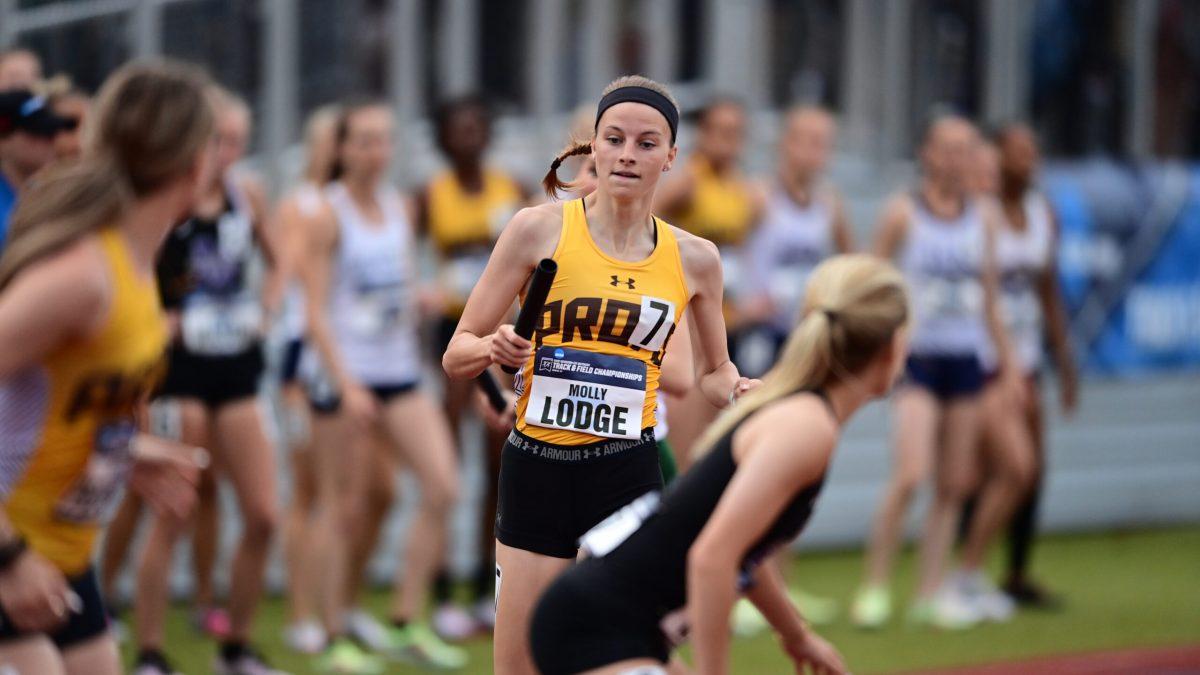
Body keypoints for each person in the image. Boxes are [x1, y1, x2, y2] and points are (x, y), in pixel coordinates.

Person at [443, 74, 758, 675]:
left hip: (625, 473)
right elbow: (455, 353)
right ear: (594, 147)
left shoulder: (695, 258)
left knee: (630, 652)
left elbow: (712, 375)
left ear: (671, 157)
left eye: (646, 144)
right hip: (538, 468)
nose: (627, 156)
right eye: (614, 140)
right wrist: (494, 347)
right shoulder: (538, 229)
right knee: (518, 666)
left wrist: (745, 390)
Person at [530, 254, 908, 675]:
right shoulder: (806, 428)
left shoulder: (803, 418)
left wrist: (795, 635)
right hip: (593, 628)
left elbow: (745, 549)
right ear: (891, 346)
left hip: (623, 626)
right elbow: (712, 558)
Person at [0, 59, 213, 675]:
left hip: (62, 556)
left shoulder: (138, 263)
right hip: (14, 552)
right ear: (193, 162)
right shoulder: (83, 275)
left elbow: (64, 395)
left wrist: (128, 453)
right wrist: (8, 560)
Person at [300, 101, 466, 673]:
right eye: (364, 139)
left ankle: (405, 618)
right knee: (342, 506)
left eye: (384, 139)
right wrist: (345, 384)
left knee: (443, 486)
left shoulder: (401, 207)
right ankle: (330, 635)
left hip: (399, 371)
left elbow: (404, 278)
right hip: (346, 376)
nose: (376, 150)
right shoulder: (327, 213)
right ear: (342, 148)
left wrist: (421, 298)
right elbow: (315, 311)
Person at [132, 89, 286, 675]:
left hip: (235, 359)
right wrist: (158, 317)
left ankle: (236, 648)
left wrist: (267, 308)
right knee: (176, 507)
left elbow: (282, 259)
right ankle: (149, 652)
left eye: (238, 142)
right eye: (217, 140)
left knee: (264, 513)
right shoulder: (164, 197)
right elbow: (130, 267)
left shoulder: (246, 195)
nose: (227, 154)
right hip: (179, 368)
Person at [851, 115, 1018, 630]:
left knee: (953, 483)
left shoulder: (984, 216)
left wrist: (1007, 363)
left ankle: (929, 590)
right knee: (911, 474)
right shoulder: (904, 213)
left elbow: (989, 295)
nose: (956, 158)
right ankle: (874, 587)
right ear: (927, 154)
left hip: (965, 358)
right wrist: (876, 348)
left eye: (966, 149)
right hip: (917, 359)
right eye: (946, 148)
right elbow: (869, 279)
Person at [731, 104, 853, 635]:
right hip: (760, 340)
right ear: (784, 143)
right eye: (804, 139)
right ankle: (740, 576)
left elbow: (853, 265)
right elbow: (717, 250)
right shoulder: (758, 197)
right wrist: (739, 305)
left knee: (799, 461)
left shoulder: (828, 205)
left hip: (804, 340)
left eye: (823, 141)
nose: (813, 152)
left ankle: (781, 576)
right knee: (755, 457)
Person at [417, 95, 525, 639]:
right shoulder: (429, 196)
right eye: (458, 129)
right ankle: (441, 589)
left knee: (497, 465)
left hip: (500, 338)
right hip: (452, 335)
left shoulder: (513, 190)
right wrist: (422, 296)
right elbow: (403, 256)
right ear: (443, 138)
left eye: (477, 128)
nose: (469, 138)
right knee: (447, 468)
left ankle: (486, 584)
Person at [966, 123, 1077, 609]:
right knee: (996, 468)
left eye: (1034, 152)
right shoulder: (980, 214)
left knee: (1032, 466)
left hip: (1026, 355)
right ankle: (964, 572)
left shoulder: (1041, 213)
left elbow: (1048, 290)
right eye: (1019, 153)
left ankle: (1014, 571)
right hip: (986, 358)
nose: (1029, 162)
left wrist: (1065, 359)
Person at [654, 96, 765, 468]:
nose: (728, 140)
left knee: (717, 446)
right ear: (702, 134)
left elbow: (743, 255)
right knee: (687, 447)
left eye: (735, 132)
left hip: (731, 319)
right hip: (690, 325)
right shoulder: (687, 181)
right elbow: (647, 223)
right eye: (720, 131)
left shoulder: (746, 192)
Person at [0, 89, 76, 248]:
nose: (50, 141)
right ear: (4, 141)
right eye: (37, 132)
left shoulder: (50, 194)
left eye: (51, 132)